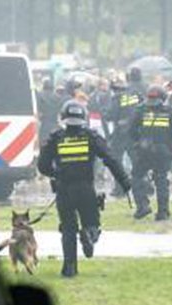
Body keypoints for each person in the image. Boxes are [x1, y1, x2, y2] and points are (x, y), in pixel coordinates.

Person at [38, 100, 131, 278]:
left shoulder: (55, 137)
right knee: (92, 223)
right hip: (85, 189)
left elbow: (42, 166)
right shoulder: (91, 136)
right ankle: (89, 234)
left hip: (64, 190)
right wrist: (124, 182)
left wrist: (56, 173)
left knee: (67, 228)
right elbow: (110, 159)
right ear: (83, 117)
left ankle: (69, 268)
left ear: (63, 117)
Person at [129, 85, 172, 220]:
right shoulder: (170, 112)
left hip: (144, 151)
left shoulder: (140, 110)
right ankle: (163, 212)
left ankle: (143, 206)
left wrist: (139, 141)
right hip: (162, 151)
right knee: (161, 180)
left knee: (136, 177)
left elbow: (131, 130)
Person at [106, 77, 143, 197]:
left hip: (120, 134)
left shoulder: (116, 98)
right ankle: (144, 185)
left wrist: (104, 112)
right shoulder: (135, 94)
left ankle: (120, 188)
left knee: (117, 161)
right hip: (134, 131)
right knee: (136, 160)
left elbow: (111, 115)